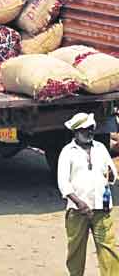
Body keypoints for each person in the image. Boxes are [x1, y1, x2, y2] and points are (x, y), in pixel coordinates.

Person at [58, 112, 119, 276]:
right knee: (76, 251)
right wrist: (79, 203)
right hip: (78, 211)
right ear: (76, 132)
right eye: (85, 129)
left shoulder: (100, 148)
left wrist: (110, 175)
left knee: (109, 249)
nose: (89, 132)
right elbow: (63, 183)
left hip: (101, 209)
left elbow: (112, 174)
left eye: (91, 128)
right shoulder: (67, 152)